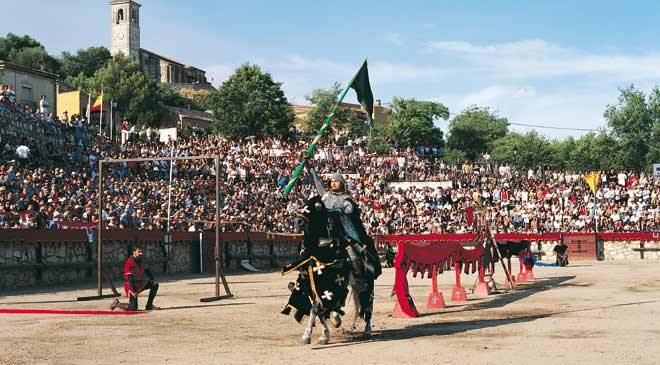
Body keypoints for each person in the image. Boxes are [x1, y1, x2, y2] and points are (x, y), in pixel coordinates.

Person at [309, 164, 382, 336]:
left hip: (348, 236)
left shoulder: (346, 198)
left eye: (336, 181)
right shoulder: (326, 196)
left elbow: (349, 209)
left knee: (353, 254)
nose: (333, 183)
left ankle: (359, 277)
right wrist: (311, 169)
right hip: (331, 236)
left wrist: (337, 210)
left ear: (342, 184)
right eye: (332, 181)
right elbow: (318, 186)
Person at [110, 245, 161, 311]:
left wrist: (152, 280)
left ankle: (149, 305)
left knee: (155, 284)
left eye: (142, 252)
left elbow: (147, 271)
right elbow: (129, 278)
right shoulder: (129, 262)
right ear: (134, 252)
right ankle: (117, 304)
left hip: (139, 283)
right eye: (139, 252)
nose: (141, 253)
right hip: (131, 284)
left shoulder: (141, 260)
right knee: (133, 307)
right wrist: (133, 291)